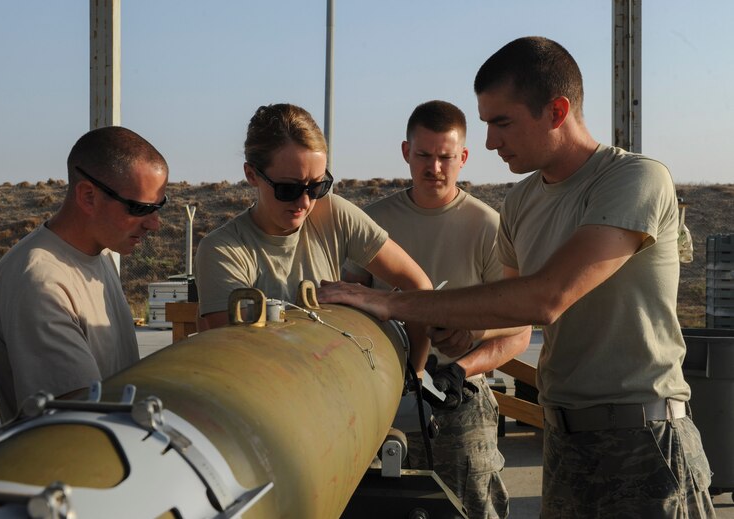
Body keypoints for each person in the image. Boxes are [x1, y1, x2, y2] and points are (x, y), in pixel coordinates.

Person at [319, 37, 715, 518]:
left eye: (502, 122)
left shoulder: (634, 180)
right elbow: (507, 312)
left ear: (556, 111)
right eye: (486, 123)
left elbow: (544, 299)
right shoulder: (521, 203)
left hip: (644, 444)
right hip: (565, 443)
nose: (489, 142)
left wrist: (394, 303)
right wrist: (470, 333)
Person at [343, 100, 530, 518]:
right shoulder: (370, 223)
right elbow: (348, 305)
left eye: (446, 157)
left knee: (472, 508)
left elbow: (518, 329)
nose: (435, 168)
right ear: (406, 152)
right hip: (379, 398)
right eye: (424, 155)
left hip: (459, 402)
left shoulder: (488, 227)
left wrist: (468, 352)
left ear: (463, 158)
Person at [194, 102, 433, 371]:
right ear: (251, 175)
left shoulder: (333, 215)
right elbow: (232, 357)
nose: (305, 202)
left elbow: (419, 288)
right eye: (288, 189)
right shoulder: (223, 251)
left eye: (317, 186)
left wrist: (415, 374)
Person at [0, 126, 169, 423]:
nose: (154, 224)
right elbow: (78, 418)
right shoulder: (41, 281)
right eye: (139, 208)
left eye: (159, 207)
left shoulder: (99, 254)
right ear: (88, 196)